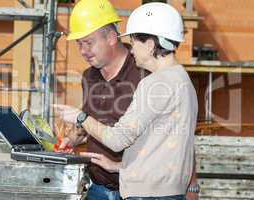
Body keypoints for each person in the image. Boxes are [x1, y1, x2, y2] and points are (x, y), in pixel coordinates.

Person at [55, 2, 199, 200]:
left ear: (149, 45)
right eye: (79, 43)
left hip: (146, 194)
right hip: (125, 184)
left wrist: (81, 117)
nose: (132, 50)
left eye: (88, 42)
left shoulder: (152, 80)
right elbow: (163, 144)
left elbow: (118, 140)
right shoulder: (181, 79)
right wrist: (119, 166)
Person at [59, 0, 150, 199]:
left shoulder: (145, 74)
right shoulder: (88, 77)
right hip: (97, 188)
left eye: (88, 42)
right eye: (79, 44)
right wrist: (70, 140)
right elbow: (88, 124)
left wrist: (191, 184)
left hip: (138, 190)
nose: (83, 51)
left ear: (110, 37)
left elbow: (175, 134)